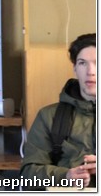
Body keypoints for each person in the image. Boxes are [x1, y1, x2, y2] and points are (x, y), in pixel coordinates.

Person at [21, 33, 96, 188]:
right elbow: (27, 176)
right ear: (75, 68)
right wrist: (65, 176)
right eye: (82, 63)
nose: (91, 71)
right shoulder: (49, 116)